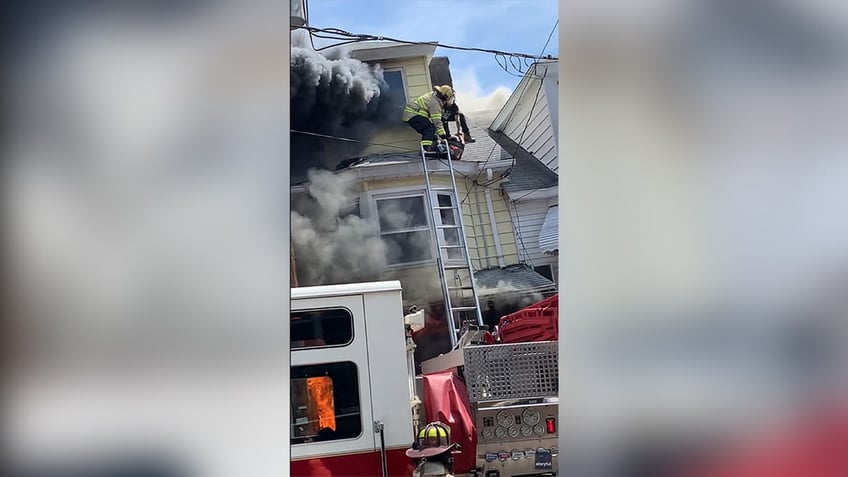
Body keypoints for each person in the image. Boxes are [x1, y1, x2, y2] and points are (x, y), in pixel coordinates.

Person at [403, 85, 455, 153]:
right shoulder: (435, 104)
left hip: (413, 114)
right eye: (448, 98)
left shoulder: (434, 96)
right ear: (444, 97)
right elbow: (437, 121)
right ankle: (426, 148)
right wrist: (443, 136)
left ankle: (434, 148)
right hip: (412, 115)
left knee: (431, 134)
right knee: (429, 128)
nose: (448, 101)